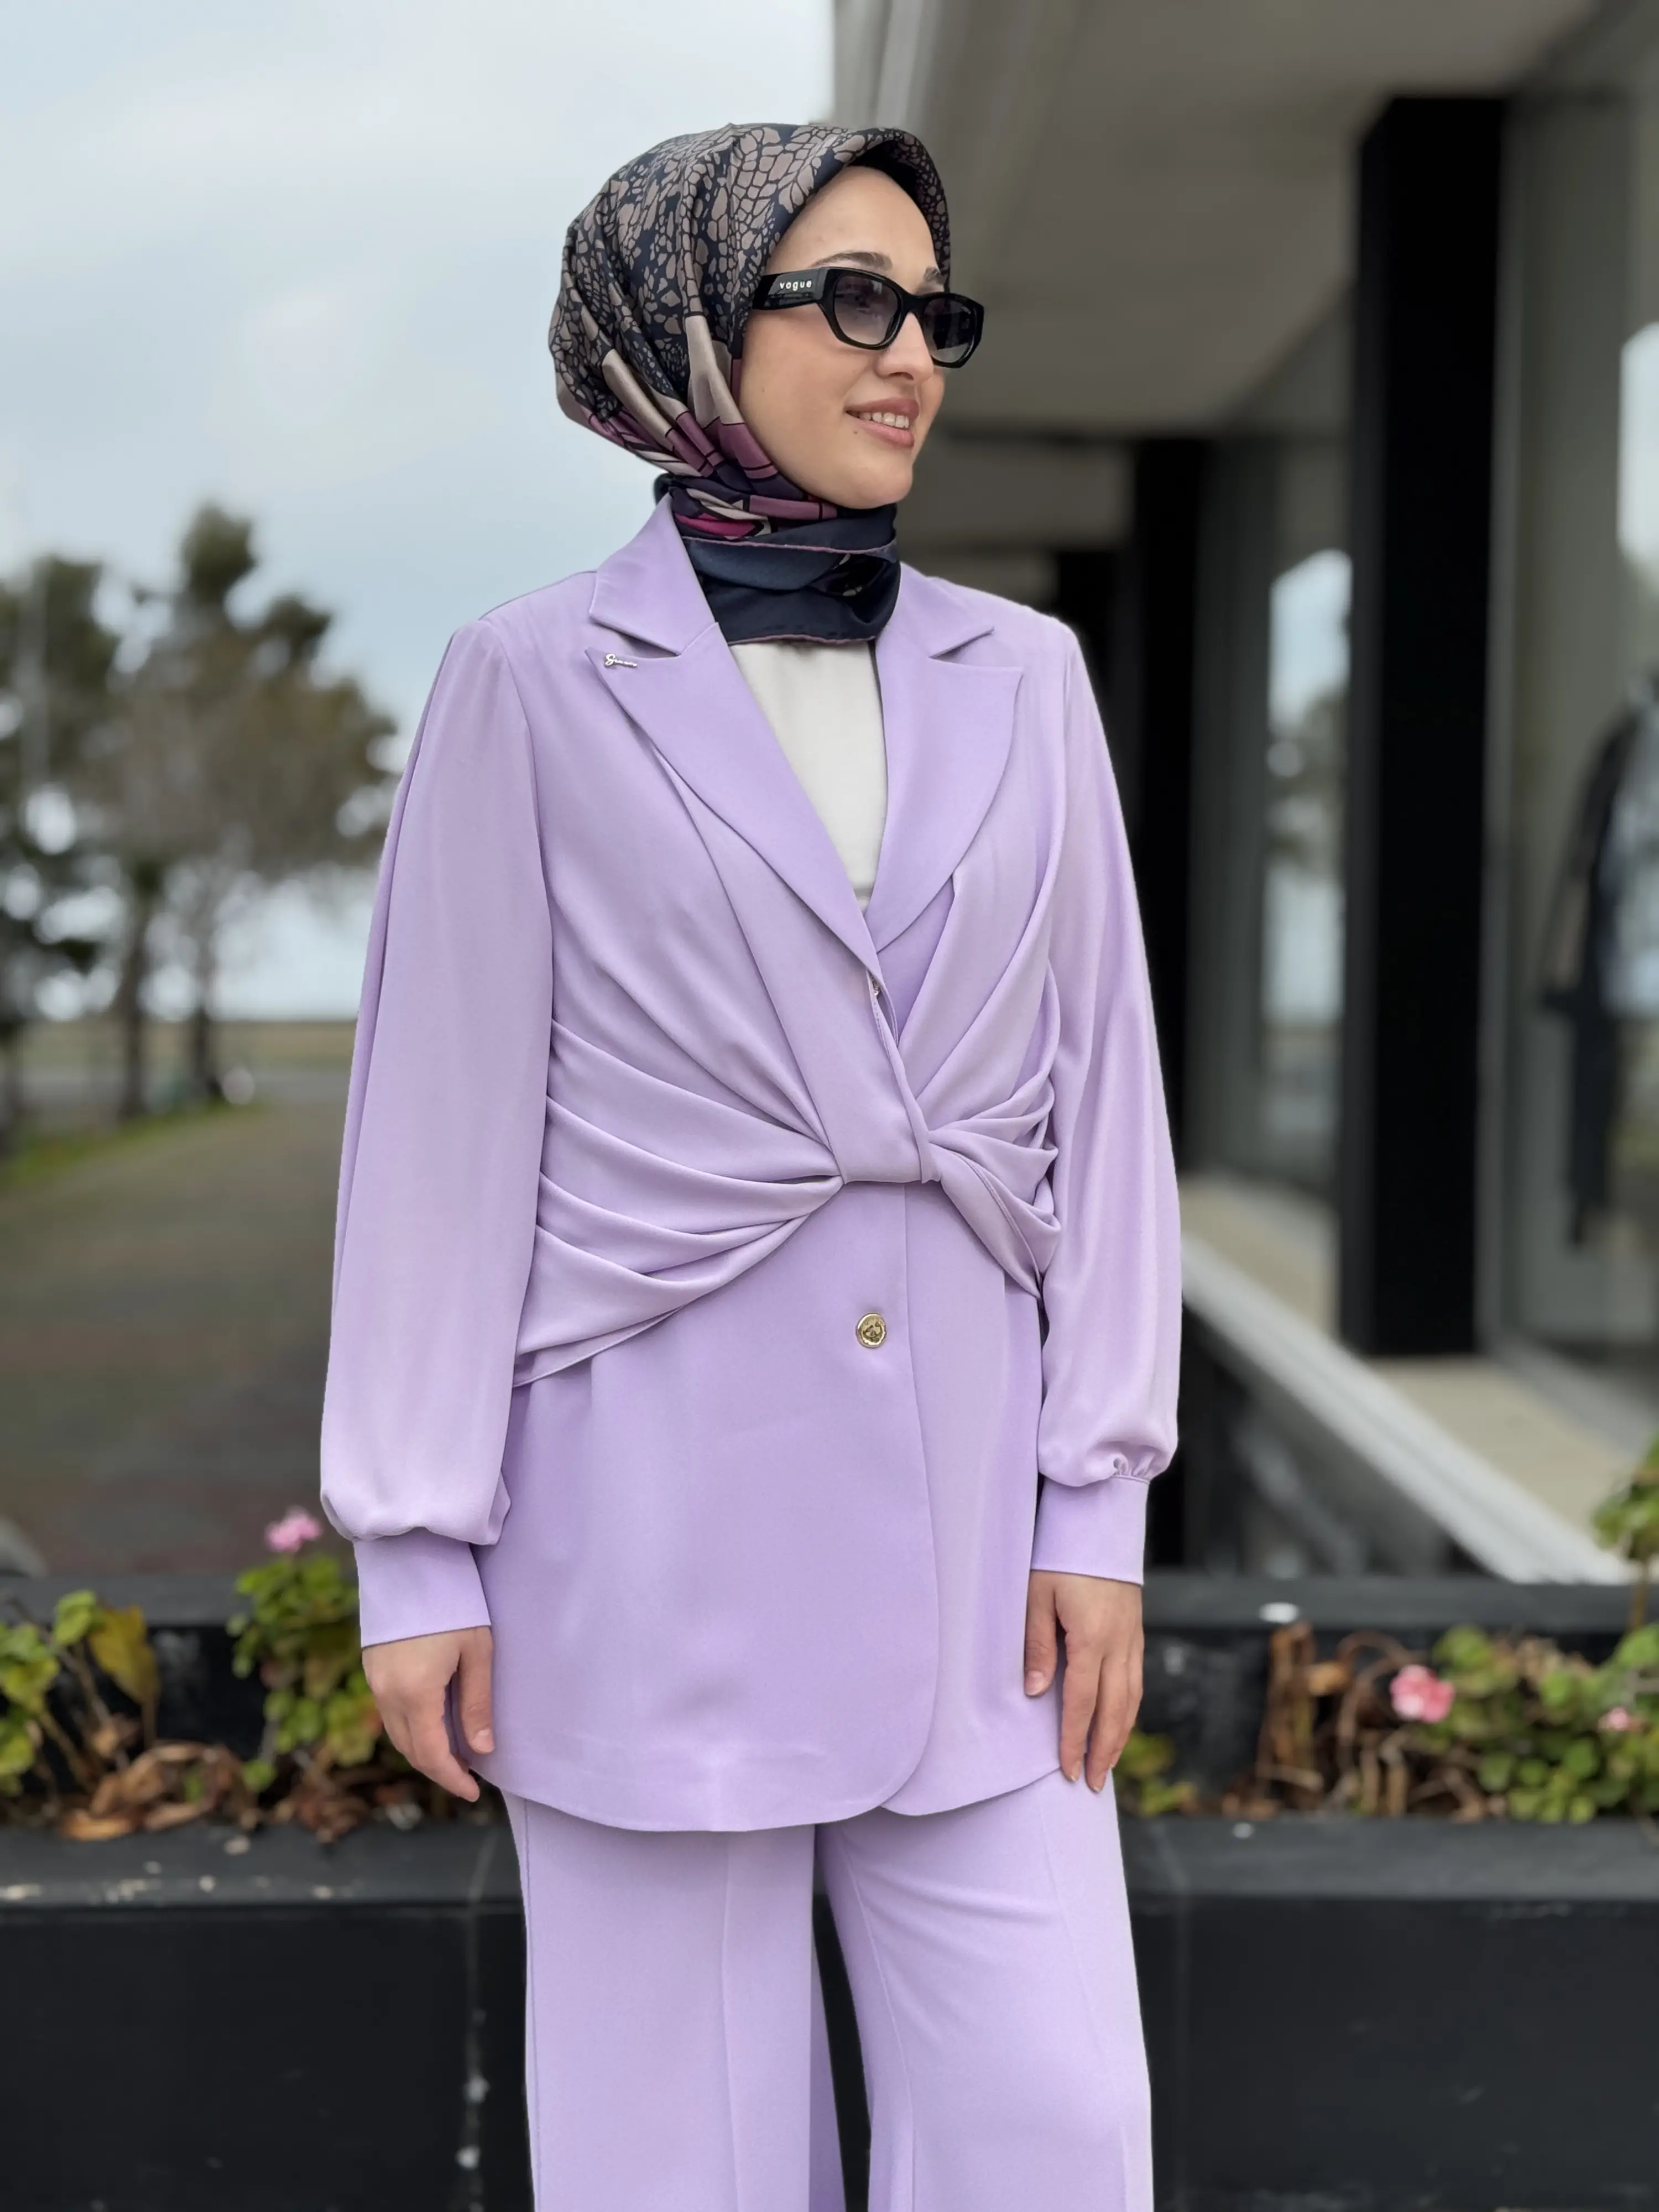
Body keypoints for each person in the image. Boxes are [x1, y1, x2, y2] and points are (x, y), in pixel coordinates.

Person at [320, 120, 1180, 2212]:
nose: (911, 357)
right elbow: (439, 1135)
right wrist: (415, 1550)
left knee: (1058, 2124)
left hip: (982, 1563)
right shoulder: (530, 681)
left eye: (936, 313)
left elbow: (1106, 1109)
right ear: (688, 326)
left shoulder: (1029, 676)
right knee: (674, 2164)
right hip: (642, 1545)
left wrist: (1100, 1506)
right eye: (854, 301)